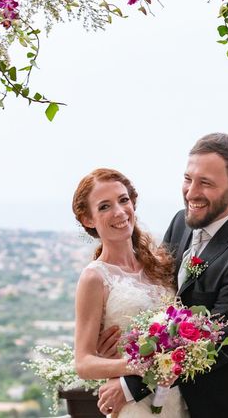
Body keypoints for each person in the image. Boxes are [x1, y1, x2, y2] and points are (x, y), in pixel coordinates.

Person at [98, 133, 228, 418]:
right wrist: (117, 338)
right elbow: (160, 296)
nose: (191, 192)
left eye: (205, 183)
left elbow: (213, 347)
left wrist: (129, 384)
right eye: (188, 178)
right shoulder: (181, 223)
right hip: (180, 401)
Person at [72, 168, 186, 417]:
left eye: (123, 200)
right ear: (88, 219)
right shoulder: (94, 277)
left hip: (177, 400)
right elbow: (83, 362)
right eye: (104, 206)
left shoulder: (160, 263)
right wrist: (138, 365)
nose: (119, 212)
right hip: (135, 406)